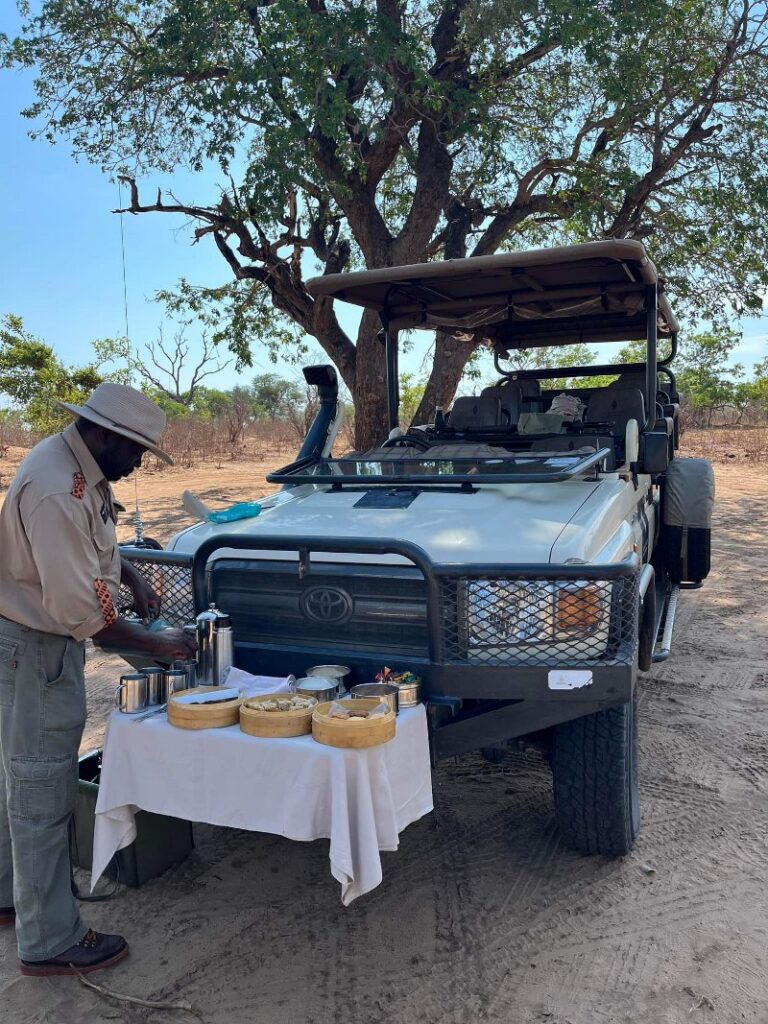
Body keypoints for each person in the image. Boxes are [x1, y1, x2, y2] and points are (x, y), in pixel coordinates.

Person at [0, 383, 196, 977]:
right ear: (105, 435)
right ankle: (51, 938)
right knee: (41, 790)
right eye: (135, 450)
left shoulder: (74, 466)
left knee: (17, 780)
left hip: (26, 638)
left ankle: (17, 900)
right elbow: (80, 614)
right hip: (38, 649)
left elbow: (91, 549)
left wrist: (130, 575)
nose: (139, 463)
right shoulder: (59, 489)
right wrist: (161, 643)